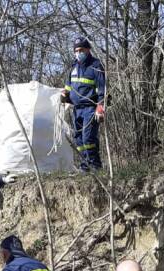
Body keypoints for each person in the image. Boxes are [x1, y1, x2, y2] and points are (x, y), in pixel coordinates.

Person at [61, 38, 106, 172]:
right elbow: (68, 88)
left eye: (81, 50)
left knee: (88, 138)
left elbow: (102, 89)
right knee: (79, 140)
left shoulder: (96, 66)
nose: (78, 53)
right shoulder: (73, 67)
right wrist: (64, 95)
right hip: (76, 109)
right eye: (76, 51)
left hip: (90, 108)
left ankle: (95, 166)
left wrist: (100, 107)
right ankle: (85, 167)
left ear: (88, 50)